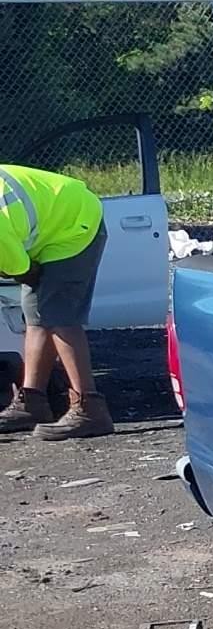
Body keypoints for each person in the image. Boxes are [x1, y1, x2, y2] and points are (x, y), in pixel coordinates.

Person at [0, 163, 114, 440]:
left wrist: (28, 273)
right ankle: (32, 402)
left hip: (73, 225)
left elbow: (19, 268)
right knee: (36, 314)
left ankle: (89, 408)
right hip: (58, 214)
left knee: (59, 317)